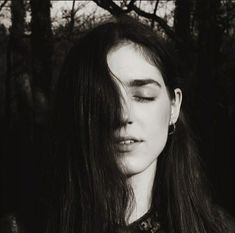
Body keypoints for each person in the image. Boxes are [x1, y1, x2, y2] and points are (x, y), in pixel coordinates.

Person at [1, 16, 234, 233]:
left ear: (174, 106)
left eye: (143, 96)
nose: (123, 114)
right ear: (75, 110)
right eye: (103, 98)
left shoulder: (217, 228)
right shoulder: (21, 228)